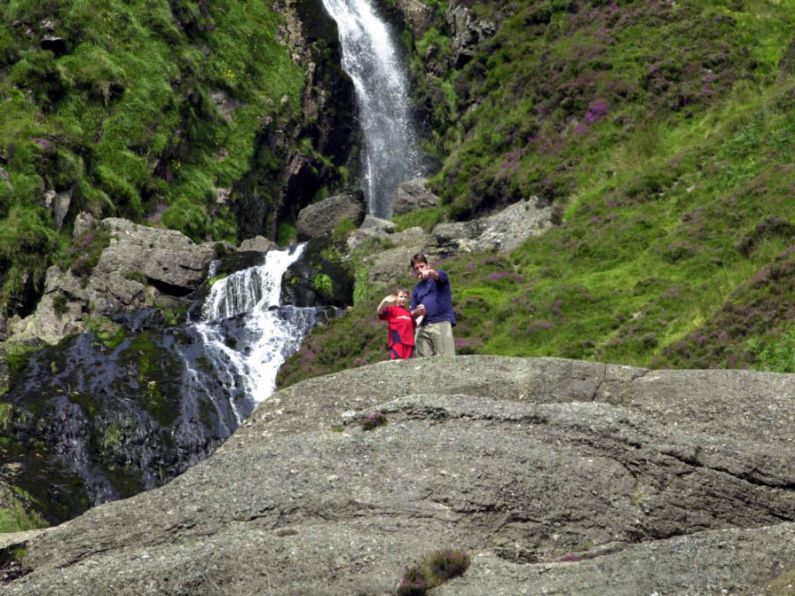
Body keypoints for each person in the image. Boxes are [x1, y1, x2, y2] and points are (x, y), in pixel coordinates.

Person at [409, 253, 456, 357]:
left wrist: (429, 273)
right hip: (422, 327)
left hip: (441, 322)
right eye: (416, 268)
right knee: (423, 362)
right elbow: (411, 312)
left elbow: (436, 275)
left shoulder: (439, 276)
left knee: (446, 359)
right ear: (414, 271)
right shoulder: (417, 288)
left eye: (422, 266)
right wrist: (417, 312)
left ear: (428, 265)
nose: (420, 270)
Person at [376, 288, 415, 360]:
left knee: (407, 366)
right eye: (401, 296)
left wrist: (422, 315)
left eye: (405, 297)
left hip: (409, 343)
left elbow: (414, 324)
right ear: (396, 297)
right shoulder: (391, 309)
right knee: (397, 363)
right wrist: (384, 301)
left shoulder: (408, 313)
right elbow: (379, 312)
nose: (403, 299)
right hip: (397, 341)